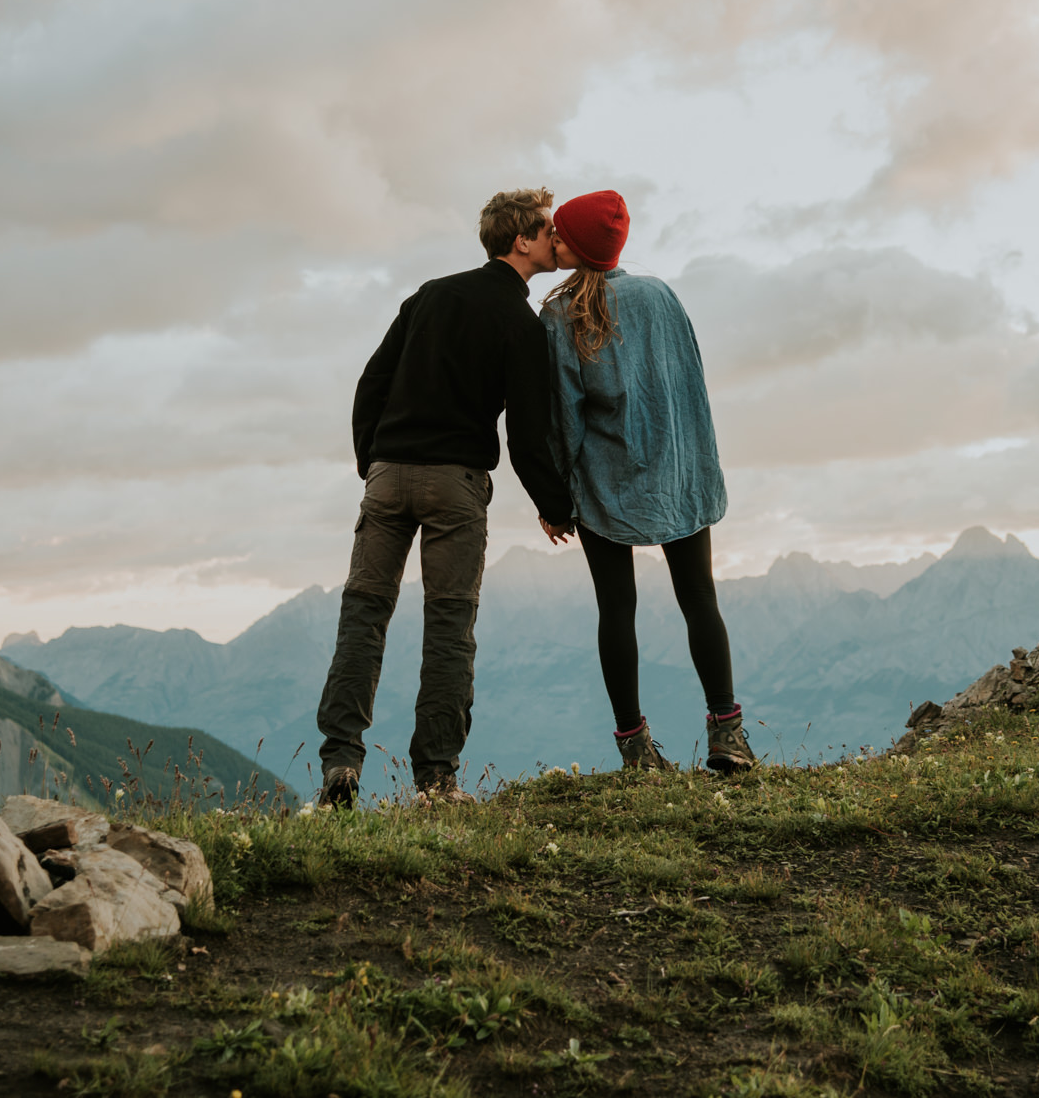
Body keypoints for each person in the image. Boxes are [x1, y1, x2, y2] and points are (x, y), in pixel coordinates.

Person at [314, 189, 575, 808]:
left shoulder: (429, 294)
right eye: (547, 230)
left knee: (363, 615)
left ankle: (340, 769)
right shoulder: (521, 323)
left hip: (388, 474)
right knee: (449, 626)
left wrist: (371, 462)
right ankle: (435, 780)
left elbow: (371, 382)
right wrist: (554, 504)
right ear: (522, 240)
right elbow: (528, 432)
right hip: (455, 484)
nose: (554, 238)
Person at [539, 189, 755, 774]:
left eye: (559, 234)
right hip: (680, 474)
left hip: (605, 481)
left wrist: (559, 496)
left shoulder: (560, 316)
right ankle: (726, 735)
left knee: (616, 610)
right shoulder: (662, 295)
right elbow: (692, 382)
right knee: (700, 599)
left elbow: (564, 413)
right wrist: (696, 463)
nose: (552, 241)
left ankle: (636, 750)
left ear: (579, 244)